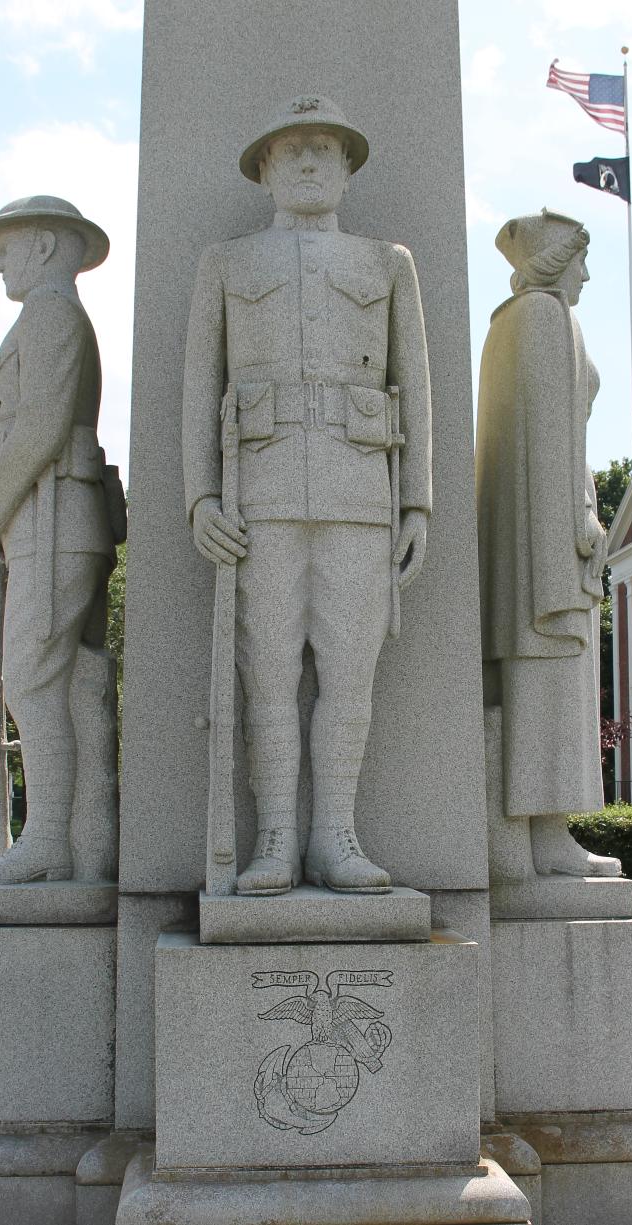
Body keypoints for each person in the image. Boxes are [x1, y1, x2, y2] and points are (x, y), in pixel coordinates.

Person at [183, 96, 432, 895]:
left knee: (350, 677)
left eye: (327, 149)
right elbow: (199, 387)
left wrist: (418, 501)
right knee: (267, 673)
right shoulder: (226, 263)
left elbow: (415, 386)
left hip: (361, 495)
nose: (313, 162)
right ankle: (278, 838)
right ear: (264, 170)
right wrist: (201, 497)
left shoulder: (387, 263)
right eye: (294, 151)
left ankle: (336, 835)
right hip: (259, 501)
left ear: (351, 167)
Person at [0, 196, 122, 884]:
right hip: (46, 518)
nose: (0, 260)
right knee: (63, 683)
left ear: (50, 247)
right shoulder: (44, 314)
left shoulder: (53, 313)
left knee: (30, 678)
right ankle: (78, 839)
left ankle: (51, 840)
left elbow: (40, 427)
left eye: (11, 244)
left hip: (55, 517)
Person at [476, 208, 620, 880]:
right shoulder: (545, 319)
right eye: (581, 260)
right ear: (559, 261)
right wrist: (578, 521)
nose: (587, 274)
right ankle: (546, 833)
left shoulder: (508, 325)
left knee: (545, 685)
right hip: (550, 541)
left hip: (527, 540)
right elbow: (555, 440)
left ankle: (543, 832)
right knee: (552, 683)